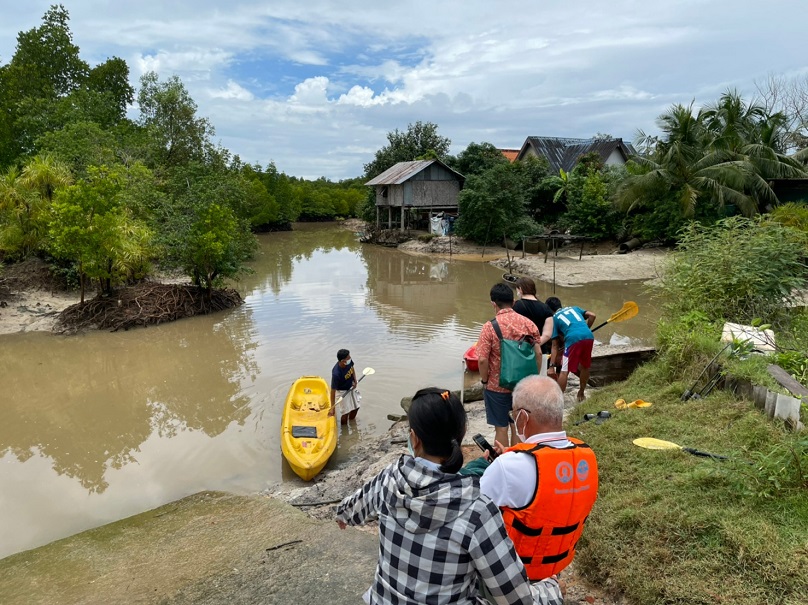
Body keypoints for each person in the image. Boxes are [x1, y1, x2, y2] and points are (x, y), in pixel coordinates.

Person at [335, 387, 564, 605]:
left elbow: (348, 512)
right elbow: (516, 599)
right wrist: (550, 588)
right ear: (462, 434)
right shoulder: (478, 509)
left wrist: (342, 517)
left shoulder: (390, 478)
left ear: (414, 439)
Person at [480, 376, 598, 583]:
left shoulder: (507, 467)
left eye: (514, 414)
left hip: (514, 572)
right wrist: (512, 455)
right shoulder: (586, 456)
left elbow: (475, 520)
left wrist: (501, 465)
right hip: (558, 561)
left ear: (523, 417)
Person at [478, 283, 543, 447]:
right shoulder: (529, 324)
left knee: (501, 427)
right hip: (523, 386)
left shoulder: (489, 327)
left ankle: (502, 463)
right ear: (513, 302)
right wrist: (533, 379)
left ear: (493, 303)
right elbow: (539, 353)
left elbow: (482, 360)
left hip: (496, 387)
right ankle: (516, 459)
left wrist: (485, 381)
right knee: (518, 426)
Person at [544, 297, 596, 401]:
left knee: (564, 370)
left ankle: (557, 400)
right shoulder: (574, 308)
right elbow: (592, 315)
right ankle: (581, 393)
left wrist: (551, 366)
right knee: (585, 367)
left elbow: (554, 345)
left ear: (549, 309)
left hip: (572, 339)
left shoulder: (554, 318)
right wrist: (586, 328)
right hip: (589, 336)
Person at [512, 277, 554, 356]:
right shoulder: (546, 308)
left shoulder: (516, 306)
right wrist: (534, 345)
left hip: (520, 351)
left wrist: (525, 346)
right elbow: (547, 335)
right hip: (541, 352)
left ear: (520, 289)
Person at [330, 349, 359, 424]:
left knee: (356, 407)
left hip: (351, 387)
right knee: (345, 413)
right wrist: (332, 407)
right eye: (348, 357)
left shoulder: (348, 362)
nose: (350, 358)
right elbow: (332, 391)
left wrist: (355, 381)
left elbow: (352, 369)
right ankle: (344, 430)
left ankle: (352, 424)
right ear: (343, 361)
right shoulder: (336, 373)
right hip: (342, 391)